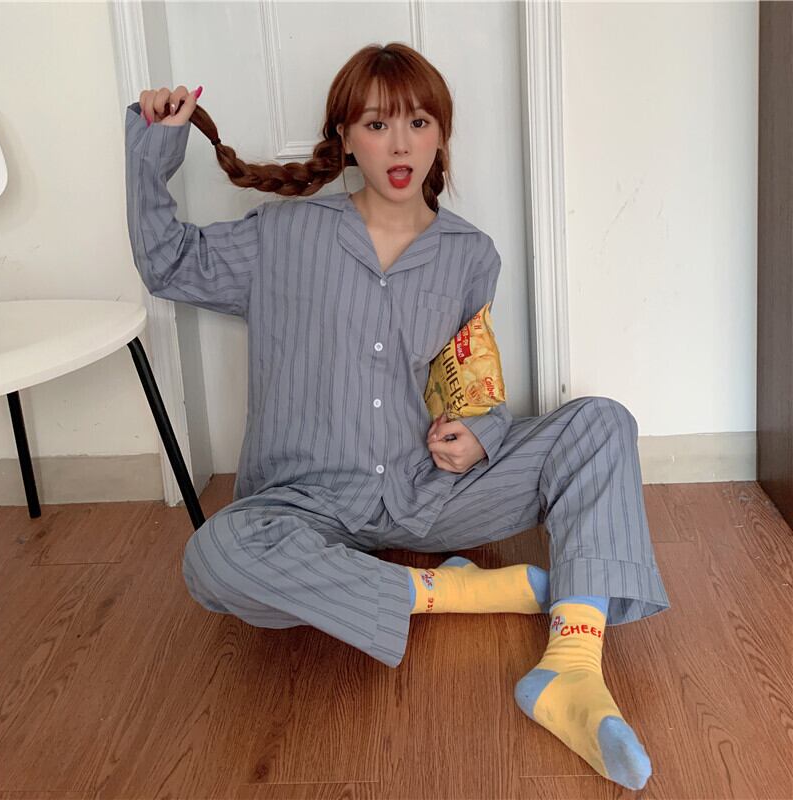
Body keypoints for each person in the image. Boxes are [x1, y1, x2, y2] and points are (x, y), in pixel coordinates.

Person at [124, 42, 670, 792]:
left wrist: (482, 435)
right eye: (378, 125)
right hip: (305, 505)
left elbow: (474, 382)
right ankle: (463, 593)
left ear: (441, 134)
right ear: (346, 138)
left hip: (428, 492)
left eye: (419, 122)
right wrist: (157, 144)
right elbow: (167, 263)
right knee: (212, 557)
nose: (401, 144)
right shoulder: (280, 237)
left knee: (601, 422)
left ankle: (571, 669)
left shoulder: (470, 255)